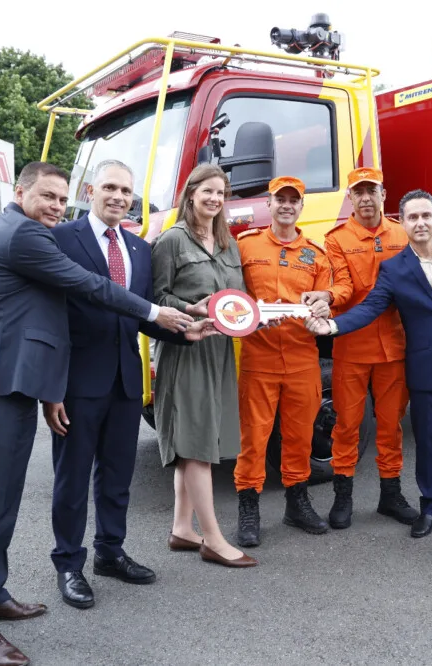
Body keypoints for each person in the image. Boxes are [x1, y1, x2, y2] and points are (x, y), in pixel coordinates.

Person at [0, 161, 197, 666]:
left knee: (3, 506)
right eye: (48, 197)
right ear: (20, 192)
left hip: (16, 387)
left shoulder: (30, 232)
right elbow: (89, 286)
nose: (57, 207)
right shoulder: (23, 236)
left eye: (62, 199)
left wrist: (179, 323)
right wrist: (154, 312)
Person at [45, 160, 216, 610]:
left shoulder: (141, 249)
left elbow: (143, 316)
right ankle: (68, 563)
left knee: (117, 475)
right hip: (77, 384)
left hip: (125, 381)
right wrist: (51, 388)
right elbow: (50, 318)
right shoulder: (61, 239)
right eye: (110, 188)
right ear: (90, 190)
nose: (119, 197)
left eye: (127, 190)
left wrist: (184, 329)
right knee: (72, 477)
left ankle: (110, 552)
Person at [306, 189, 432, 541]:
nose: (420, 223)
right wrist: (333, 326)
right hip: (426, 368)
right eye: (412, 217)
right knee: (428, 445)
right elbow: (371, 308)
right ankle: (431, 507)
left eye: (425, 216)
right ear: (404, 223)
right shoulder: (395, 268)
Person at [299, 167, 418, 531]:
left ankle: (390, 495)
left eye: (372, 191)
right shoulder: (336, 239)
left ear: (384, 194)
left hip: (395, 346)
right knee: (347, 425)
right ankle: (343, 497)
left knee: (391, 425)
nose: (366, 198)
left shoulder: (403, 232)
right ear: (350, 198)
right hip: (352, 344)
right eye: (359, 192)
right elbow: (345, 286)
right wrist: (329, 297)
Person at [151, 164, 257, 567]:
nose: (215, 199)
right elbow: (156, 298)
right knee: (195, 445)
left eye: (221, 193)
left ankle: (182, 529)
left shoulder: (229, 244)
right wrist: (187, 308)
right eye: (208, 191)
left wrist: (255, 314)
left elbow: (240, 298)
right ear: (191, 193)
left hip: (219, 351)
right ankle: (213, 539)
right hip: (185, 347)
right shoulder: (171, 241)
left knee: (202, 438)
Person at [232, 176, 334, 546]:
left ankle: (297, 503)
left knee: (298, 436)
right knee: (254, 438)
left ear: (301, 207)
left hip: (302, 356)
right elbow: (231, 293)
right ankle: (249, 508)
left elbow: (326, 298)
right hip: (258, 355)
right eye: (280, 199)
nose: (287, 205)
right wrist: (248, 312)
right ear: (269, 204)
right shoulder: (245, 245)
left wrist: (324, 304)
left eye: (294, 199)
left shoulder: (316, 254)